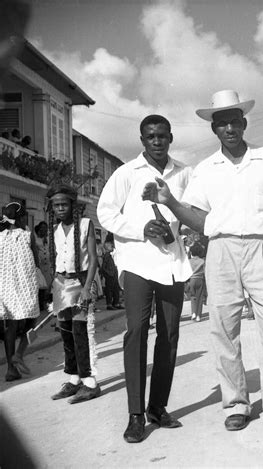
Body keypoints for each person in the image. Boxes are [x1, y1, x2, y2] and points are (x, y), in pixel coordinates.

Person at [142, 90, 263, 435]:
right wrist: (169, 202)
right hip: (221, 250)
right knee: (224, 331)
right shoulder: (205, 169)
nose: (229, 128)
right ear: (214, 129)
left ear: (244, 123)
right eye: (221, 123)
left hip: (262, 247)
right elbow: (197, 218)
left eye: (234, 120)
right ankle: (237, 404)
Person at [97, 114, 193, 443]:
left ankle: (157, 406)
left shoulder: (184, 173)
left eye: (162, 135)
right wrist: (140, 230)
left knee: (169, 335)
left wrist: (177, 227)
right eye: (150, 136)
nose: (157, 141)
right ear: (142, 140)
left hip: (172, 264)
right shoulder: (126, 173)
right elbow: (105, 212)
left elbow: (192, 210)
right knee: (137, 332)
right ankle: (135, 414)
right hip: (138, 263)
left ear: (170, 137)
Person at [47, 184, 100, 403]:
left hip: (81, 282)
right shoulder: (54, 229)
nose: (60, 208)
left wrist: (87, 288)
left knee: (81, 330)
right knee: (65, 332)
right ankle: (74, 377)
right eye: (56, 205)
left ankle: (90, 382)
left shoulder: (85, 224)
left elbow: (94, 258)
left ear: (72, 205)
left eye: (64, 204)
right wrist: (54, 287)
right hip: (61, 284)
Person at [0, 202, 39, 381]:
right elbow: (36, 261)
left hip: (6, 288)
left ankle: (10, 369)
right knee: (33, 322)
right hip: (25, 286)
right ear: (20, 217)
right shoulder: (27, 235)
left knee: (11, 326)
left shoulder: (0, 237)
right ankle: (20, 354)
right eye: (24, 216)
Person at [34, 221, 52, 311]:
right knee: (41, 284)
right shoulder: (35, 239)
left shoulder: (48, 239)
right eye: (42, 228)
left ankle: (47, 302)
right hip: (40, 264)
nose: (44, 230)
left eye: (45, 229)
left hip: (48, 265)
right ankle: (41, 304)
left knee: (49, 283)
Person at [101, 240, 122, 310]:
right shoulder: (106, 255)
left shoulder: (111, 255)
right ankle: (109, 304)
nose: (112, 246)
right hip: (110, 274)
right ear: (107, 247)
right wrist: (108, 274)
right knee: (109, 290)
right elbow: (103, 267)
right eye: (111, 246)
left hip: (114, 273)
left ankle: (116, 303)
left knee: (116, 289)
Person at [188, 242, 206, 322]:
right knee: (200, 297)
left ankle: (193, 313)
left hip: (192, 279)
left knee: (193, 296)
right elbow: (205, 271)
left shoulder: (189, 261)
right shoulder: (202, 261)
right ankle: (198, 315)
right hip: (200, 279)